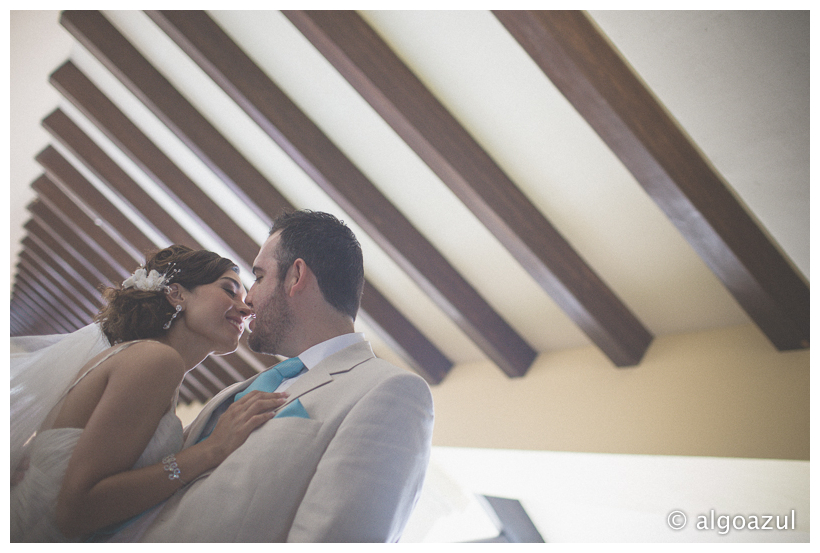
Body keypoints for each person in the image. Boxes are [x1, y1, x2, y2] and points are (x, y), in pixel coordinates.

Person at [121, 210, 435, 542]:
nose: (248, 299)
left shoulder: (389, 392)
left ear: (296, 275)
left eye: (258, 277)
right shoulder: (239, 391)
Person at [10, 245, 287, 542]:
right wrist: (211, 450)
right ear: (176, 294)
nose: (246, 308)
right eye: (229, 290)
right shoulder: (155, 361)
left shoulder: (152, 363)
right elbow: (76, 511)